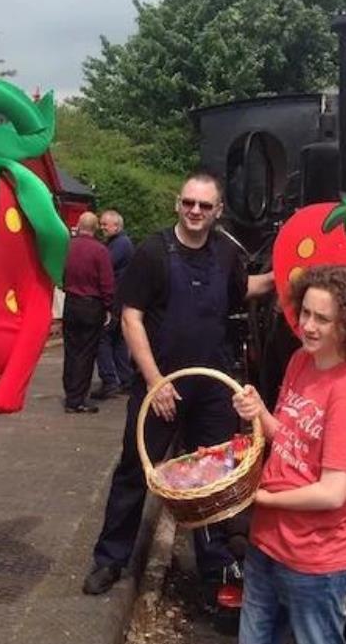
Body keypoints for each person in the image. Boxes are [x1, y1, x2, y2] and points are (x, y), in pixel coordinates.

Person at [82, 173, 274, 598]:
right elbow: (131, 317)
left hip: (212, 388)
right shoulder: (152, 252)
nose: (195, 211)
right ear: (177, 203)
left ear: (217, 211)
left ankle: (215, 563)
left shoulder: (225, 253)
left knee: (215, 479)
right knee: (135, 471)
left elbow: (246, 291)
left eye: (205, 206)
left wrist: (290, 275)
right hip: (161, 387)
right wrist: (155, 382)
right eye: (189, 202)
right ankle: (110, 559)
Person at [231, 264, 346, 644]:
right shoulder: (302, 360)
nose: (309, 326)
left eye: (323, 319)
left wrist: (261, 497)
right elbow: (291, 439)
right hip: (267, 542)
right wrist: (260, 413)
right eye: (305, 313)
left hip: (313, 559)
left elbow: (333, 491)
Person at [62, 211, 115, 414]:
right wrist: (110, 307)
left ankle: (70, 394)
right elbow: (107, 282)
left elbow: (61, 271)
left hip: (71, 302)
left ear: (78, 225)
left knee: (71, 350)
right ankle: (78, 399)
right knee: (86, 352)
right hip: (91, 305)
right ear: (95, 228)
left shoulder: (68, 246)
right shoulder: (100, 251)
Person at [91, 209, 135, 399]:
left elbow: (104, 265)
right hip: (122, 297)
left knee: (104, 339)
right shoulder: (120, 243)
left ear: (116, 226)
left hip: (115, 299)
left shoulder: (120, 245)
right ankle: (126, 379)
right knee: (118, 340)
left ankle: (109, 380)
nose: (102, 228)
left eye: (105, 225)